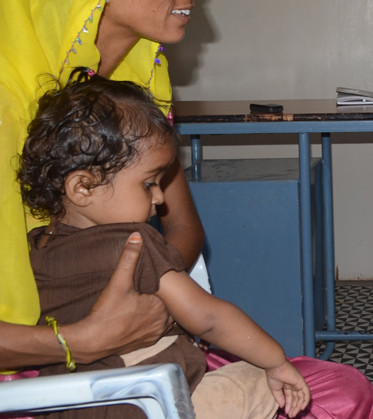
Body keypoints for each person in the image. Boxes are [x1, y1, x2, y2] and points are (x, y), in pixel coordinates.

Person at [0, 0, 373, 418]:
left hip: (141, 341)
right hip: (34, 376)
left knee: (339, 392)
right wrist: (78, 339)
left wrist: (149, 299)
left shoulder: (133, 88)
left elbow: (182, 224)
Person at [21, 71, 310, 418]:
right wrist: (277, 362)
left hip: (65, 406)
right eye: (148, 184)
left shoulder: (34, 249)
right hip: (150, 405)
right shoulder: (131, 242)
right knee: (258, 380)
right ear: (83, 187)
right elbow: (209, 318)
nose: (159, 197)